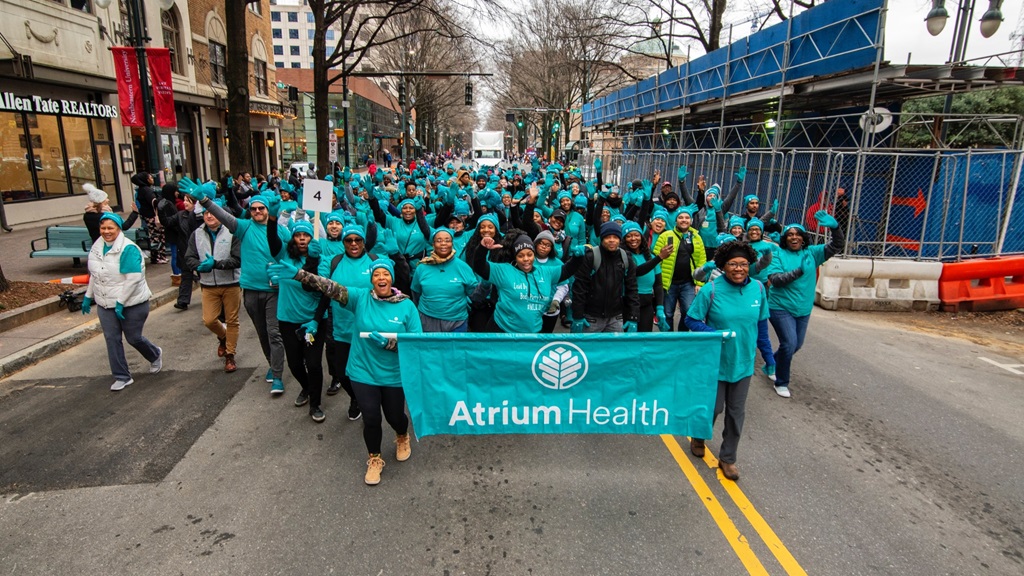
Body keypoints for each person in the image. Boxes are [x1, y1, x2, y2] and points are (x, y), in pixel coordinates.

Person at [270, 258, 421, 486]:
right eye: (377, 274)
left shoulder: (407, 306)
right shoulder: (360, 298)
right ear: (371, 279)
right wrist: (300, 274)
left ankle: (402, 435)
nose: (382, 278)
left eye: (386, 274)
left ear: (392, 278)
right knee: (371, 417)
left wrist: (391, 344)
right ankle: (375, 459)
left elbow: (416, 343)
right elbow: (329, 287)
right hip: (363, 371)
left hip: (393, 374)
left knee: (394, 417)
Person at [191, 187, 290, 395]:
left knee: (274, 333)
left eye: (261, 208)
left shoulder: (281, 230)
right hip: (251, 290)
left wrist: (283, 271)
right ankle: (272, 364)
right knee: (262, 333)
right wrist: (206, 201)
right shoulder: (244, 227)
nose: (257, 212)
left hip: (274, 290)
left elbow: (292, 253)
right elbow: (224, 217)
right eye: (253, 208)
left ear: (268, 209)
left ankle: (278, 377)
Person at [684, 241, 769, 481]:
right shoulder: (711, 289)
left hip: (743, 362)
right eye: (733, 264)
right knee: (714, 408)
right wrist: (712, 333)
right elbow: (692, 320)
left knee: (736, 412)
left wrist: (769, 357)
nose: (739, 269)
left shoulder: (759, 290)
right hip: (714, 361)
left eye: (743, 264)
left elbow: (761, 325)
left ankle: (728, 458)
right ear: (723, 266)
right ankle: (699, 436)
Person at [766, 211, 845, 398]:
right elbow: (775, 280)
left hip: (803, 308)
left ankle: (771, 362)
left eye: (798, 234)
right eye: (790, 234)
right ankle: (782, 382)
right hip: (780, 306)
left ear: (803, 238)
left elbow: (837, 245)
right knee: (789, 342)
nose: (794, 237)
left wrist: (835, 228)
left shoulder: (813, 253)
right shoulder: (777, 254)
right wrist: (800, 271)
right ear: (785, 238)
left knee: (796, 345)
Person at [81, 212, 162, 391]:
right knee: (112, 339)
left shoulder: (128, 248)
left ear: (118, 228)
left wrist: (120, 302)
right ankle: (122, 376)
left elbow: (132, 279)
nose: (106, 231)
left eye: (111, 228)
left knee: (133, 338)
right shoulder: (97, 246)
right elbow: (96, 274)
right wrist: (88, 296)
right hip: (105, 303)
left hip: (133, 303)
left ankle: (155, 354)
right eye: (103, 228)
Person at [270, 220, 329, 423]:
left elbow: (318, 291)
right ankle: (306, 387)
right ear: (292, 239)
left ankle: (315, 404)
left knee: (313, 364)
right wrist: (272, 218)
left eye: (306, 235)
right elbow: (272, 241)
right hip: (288, 320)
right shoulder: (284, 256)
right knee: (295, 364)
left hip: (313, 321)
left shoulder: (323, 260)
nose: (302, 238)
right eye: (298, 235)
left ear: (313, 238)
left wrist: (316, 319)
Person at [472, 232, 582, 333]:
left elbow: (567, 270)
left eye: (529, 254)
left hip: (532, 333)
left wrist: (577, 258)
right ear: (515, 257)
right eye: (520, 255)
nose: (526, 259)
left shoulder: (546, 272)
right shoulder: (504, 271)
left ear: (534, 254)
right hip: (502, 331)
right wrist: (482, 249)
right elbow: (479, 267)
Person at [184, 198, 242, 373]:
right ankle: (224, 337)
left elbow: (237, 259)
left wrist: (216, 264)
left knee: (232, 320)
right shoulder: (197, 233)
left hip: (231, 283)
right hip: (208, 284)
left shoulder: (233, 233)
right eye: (206, 213)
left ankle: (230, 355)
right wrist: (198, 267)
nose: (209, 216)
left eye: (213, 212)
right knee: (209, 320)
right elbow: (189, 257)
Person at [570, 221, 640, 333]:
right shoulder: (590, 257)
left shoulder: (625, 258)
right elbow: (579, 288)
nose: (612, 240)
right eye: (608, 237)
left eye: (615, 237)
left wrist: (633, 316)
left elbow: (632, 289)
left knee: (615, 350)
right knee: (587, 350)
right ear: (602, 238)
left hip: (616, 317)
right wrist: (577, 315)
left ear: (620, 239)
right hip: (591, 317)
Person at [411, 228, 479, 332]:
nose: (443, 243)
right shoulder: (422, 267)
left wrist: (485, 286)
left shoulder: (463, 267)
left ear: (452, 243)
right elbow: (416, 293)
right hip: (427, 321)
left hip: (456, 322)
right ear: (433, 245)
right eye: (439, 241)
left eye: (447, 240)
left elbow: (473, 293)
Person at [652, 208, 707, 331]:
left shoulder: (697, 238)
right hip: (668, 284)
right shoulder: (665, 236)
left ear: (691, 221)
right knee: (667, 314)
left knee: (688, 312)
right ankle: (669, 339)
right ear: (676, 220)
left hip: (688, 283)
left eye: (687, 218)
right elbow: (655, 260)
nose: (684, 220)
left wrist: (699, 283)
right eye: (680, 217)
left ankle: (682, 336)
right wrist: (656, 282)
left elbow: (701, 262)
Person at [132, 171, 167, 264]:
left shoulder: (142, 189)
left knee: (157, 235)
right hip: (151, 216)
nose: (152, 179)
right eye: (150, 177)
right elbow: (154, 202)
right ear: (146, 179)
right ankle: (157, 257)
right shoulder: (147, 190)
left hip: (148, 215)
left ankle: (160, 256)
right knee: (157, 235)